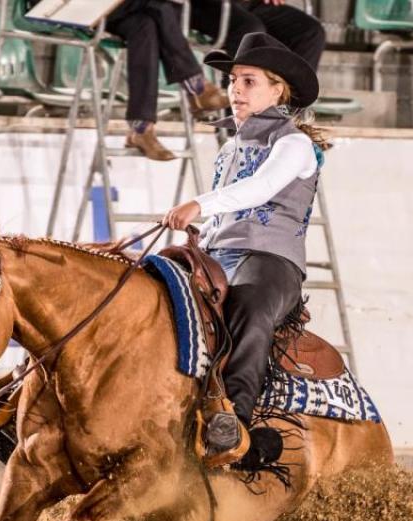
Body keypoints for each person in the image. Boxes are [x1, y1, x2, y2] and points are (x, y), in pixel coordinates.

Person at [161, 32, 330, 469]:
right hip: (219, 256)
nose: (236, 89)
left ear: (278, 90)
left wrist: (199, 204)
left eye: (248, 81)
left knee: (251, 308)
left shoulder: (294, 145)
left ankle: (234, 422)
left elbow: (261, 189)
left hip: (272, 263)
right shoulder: (230, 147)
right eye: (234, 80)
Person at [102, 0, 230, 161]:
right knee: (160, 6)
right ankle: (196, 87)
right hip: (91, 9)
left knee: (145, 26)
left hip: (129, 12)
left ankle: (141, 128)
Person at [189, 0, 325, 74]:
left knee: (310, 32)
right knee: (249, 30)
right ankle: (238, 120)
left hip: (251, 4)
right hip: (207, 5)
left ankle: (285, 113)